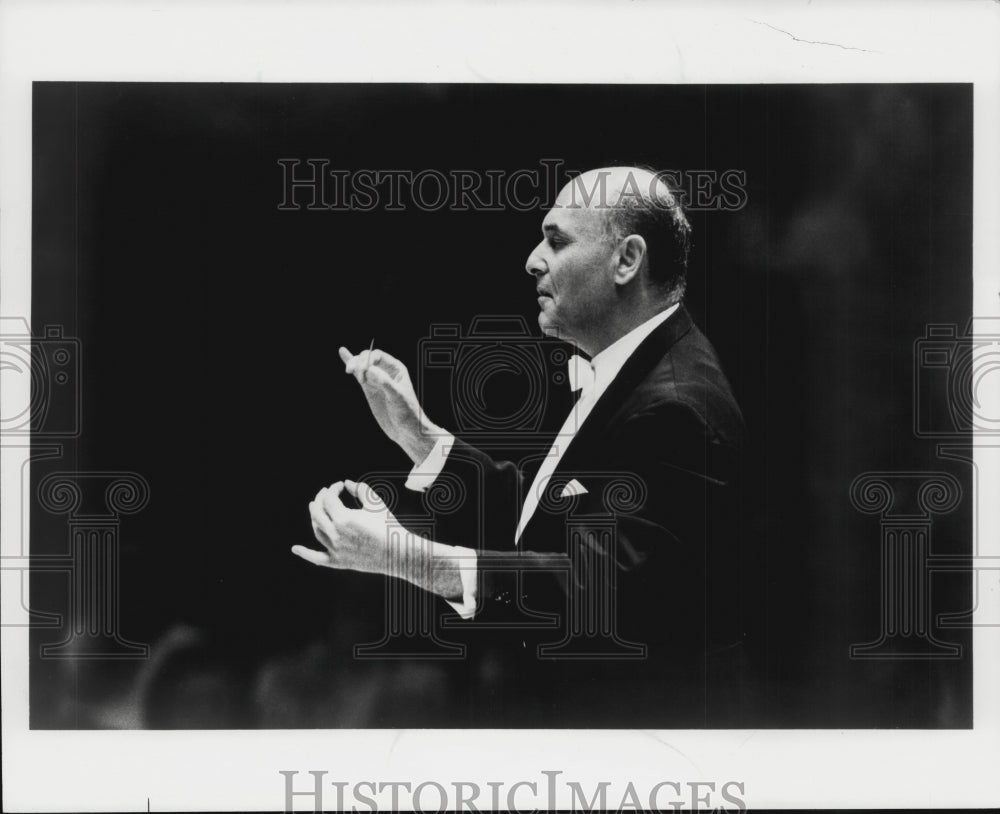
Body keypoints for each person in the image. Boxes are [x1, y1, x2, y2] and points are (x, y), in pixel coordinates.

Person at [292, 167, 752, 726]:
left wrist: (406, 558)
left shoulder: (677, 406)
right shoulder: (634, 367)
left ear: (627, 261)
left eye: (556, 240)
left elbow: (606, 591)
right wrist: (419, 435)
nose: (532, 260)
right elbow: (547, 525)